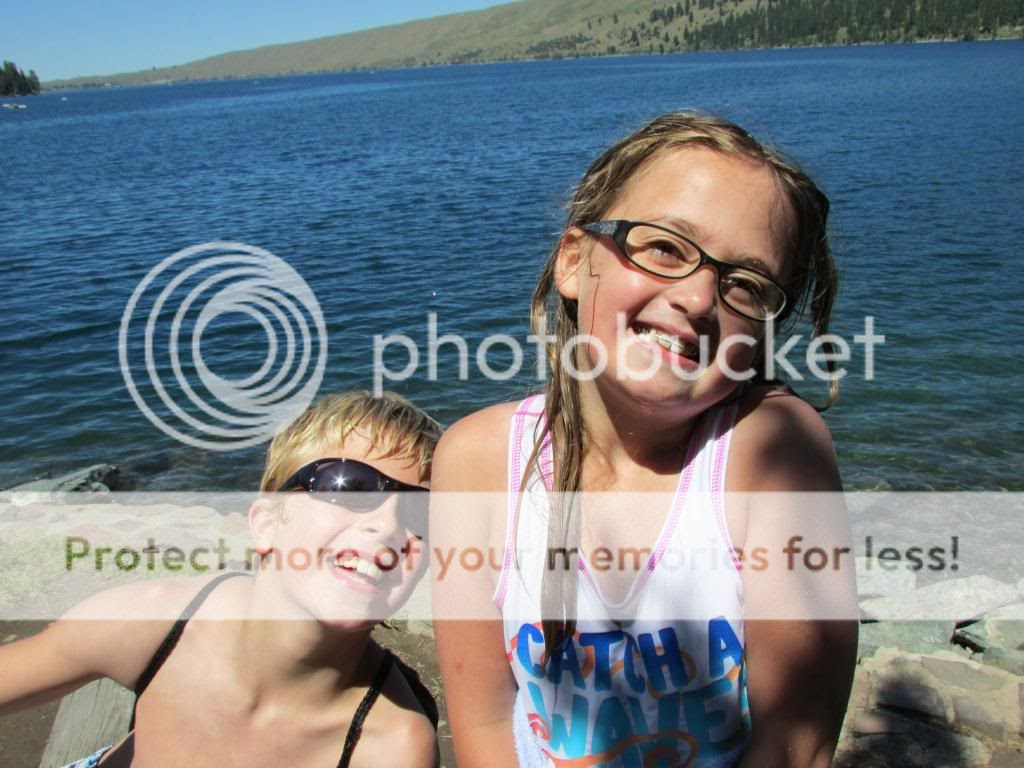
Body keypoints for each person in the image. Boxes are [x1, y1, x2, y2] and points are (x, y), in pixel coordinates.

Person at [431, 112, 857, 767]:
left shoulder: (771, 451)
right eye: (664, 247)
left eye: (745, 285)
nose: (698, 298)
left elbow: (795, 744)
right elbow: (485, 723)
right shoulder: (477, 463)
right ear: (574, 261)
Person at [0, 390, 442, 768]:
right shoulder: (154, 623)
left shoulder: (392, 744)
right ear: (266, 524)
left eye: (420, 512)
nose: (388, 526)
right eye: (350, 486)